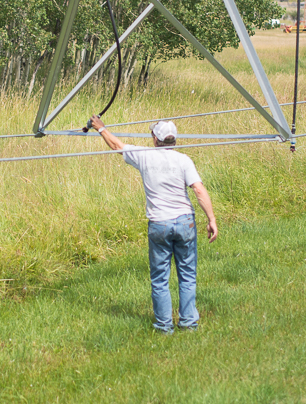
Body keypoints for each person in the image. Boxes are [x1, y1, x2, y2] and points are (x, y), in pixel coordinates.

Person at [89, 114, 218, 334]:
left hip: (159, 224)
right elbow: (198, 189)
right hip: (185, 222)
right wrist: (211, 219)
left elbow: (116, 144)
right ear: (174, 140)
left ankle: (164, 327)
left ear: (154, 139)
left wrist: (100, 128)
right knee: (187, 275)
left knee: (160, 278)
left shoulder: (145, 156)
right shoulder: (184, 160)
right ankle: (188, 323)